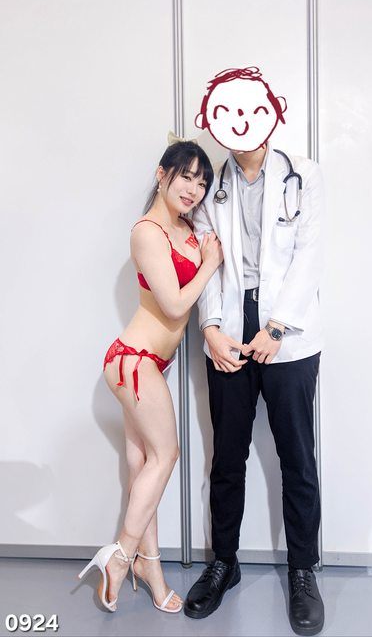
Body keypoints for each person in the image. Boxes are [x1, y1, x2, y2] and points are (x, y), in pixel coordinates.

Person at [184, 67, 325, 636]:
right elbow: (208, 262)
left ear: (271, 110)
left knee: (297, 457)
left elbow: (309, 256)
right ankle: (224, 562)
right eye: (229, 113)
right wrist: (210, 328)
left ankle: (303, 571)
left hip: (286, 328)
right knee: (227, 456)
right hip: (229, 324)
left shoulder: (303, 175)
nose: (243, 123)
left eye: (252, 110)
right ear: (215, 121)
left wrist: (277, 327)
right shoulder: (211, 185)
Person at [78, 141, 223, 614]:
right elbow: (175, 305)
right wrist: (209, 264)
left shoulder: (187, 228)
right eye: (187, 176)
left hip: (150, 364)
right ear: (162, 175)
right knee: (167, 455)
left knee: (144, 468)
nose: (194, 189)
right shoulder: (147, 231)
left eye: (202, 182)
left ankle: (151, 568)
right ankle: (121, 556)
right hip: (133, 361)